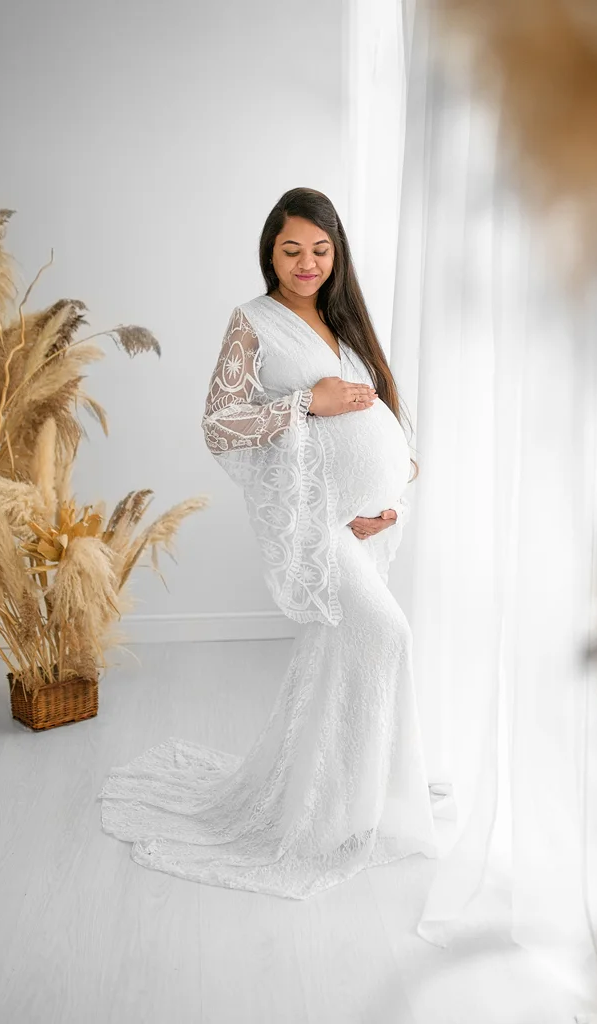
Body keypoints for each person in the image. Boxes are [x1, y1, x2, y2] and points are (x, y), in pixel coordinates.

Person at [98, 187, 438, 898]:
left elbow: (384, 426)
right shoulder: (253, 321)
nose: (306, 262)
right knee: (386, 635)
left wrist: (383, 501)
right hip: (311, 528)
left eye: (320, 249)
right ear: (270, 252)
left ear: (335, 254)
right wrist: (305, 402)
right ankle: (339, 806)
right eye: (292, 249)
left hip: (350, 522)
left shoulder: (346, 327)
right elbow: (221, 424)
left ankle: (348, 802)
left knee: (345, 649)